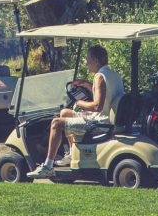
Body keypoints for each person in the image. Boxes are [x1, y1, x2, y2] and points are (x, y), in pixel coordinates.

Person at [28, 45, 124, 179]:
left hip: (99, 123)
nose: (86, 63)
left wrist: (79, 103)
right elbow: (105, 93)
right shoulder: (113, 75)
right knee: (65, 113)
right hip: (105, 118)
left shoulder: (99, 77)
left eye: (88, 59)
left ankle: (47, 166)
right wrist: (86, 85)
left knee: (56, 123)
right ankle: (73, 154)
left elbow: (97, 106)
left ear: (95, 60)